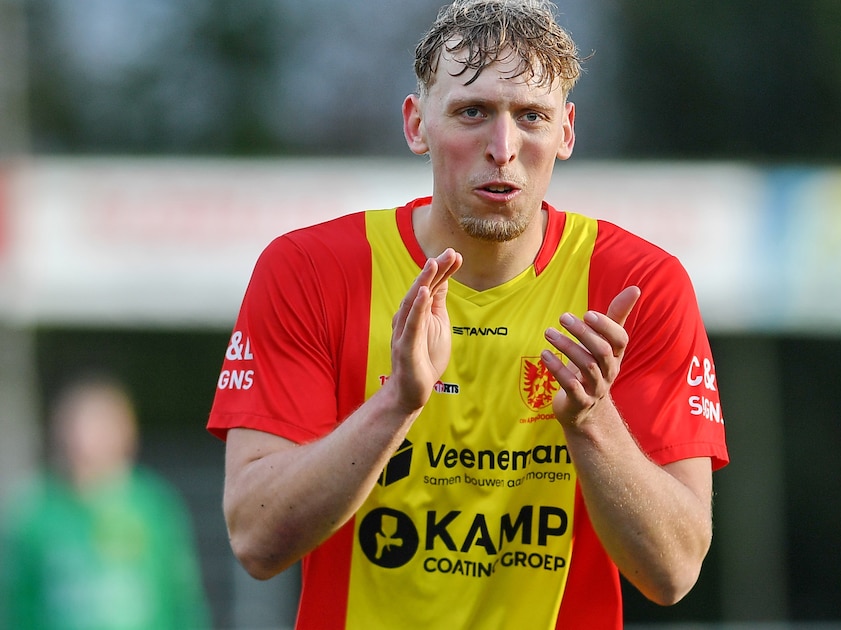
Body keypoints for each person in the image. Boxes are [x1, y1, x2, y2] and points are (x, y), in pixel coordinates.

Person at [207, 0, 728, 627]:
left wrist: (591, 421)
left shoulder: (639, 286)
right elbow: (256, 541)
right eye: (472, 112)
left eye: (530, 116)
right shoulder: (309, 270)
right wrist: (395, 403)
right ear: (416, 123)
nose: (503, 147)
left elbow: (672, 572)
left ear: (566, 132)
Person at [0, 375, 211, 630]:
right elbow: (16, 605)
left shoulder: (154, 507)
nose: (84, 442)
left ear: (126, 431)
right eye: (75, 428)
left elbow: (183, 599)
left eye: (97, 428)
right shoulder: (34, 515)